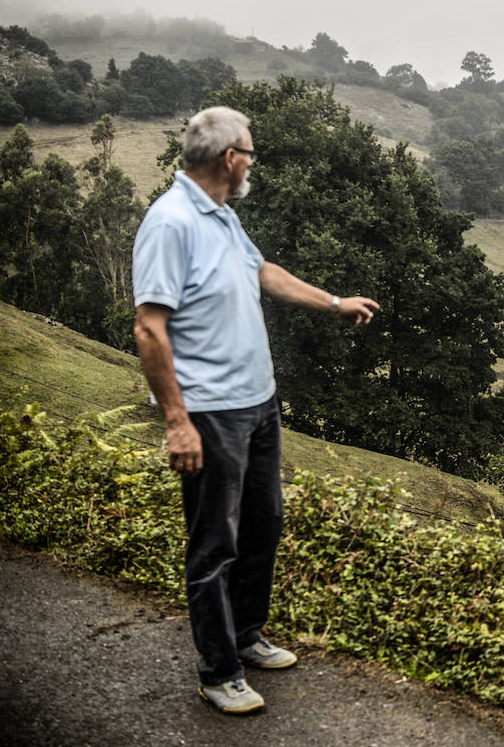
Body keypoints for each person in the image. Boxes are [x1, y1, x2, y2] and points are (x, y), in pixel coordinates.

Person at [132, 106, 379, 715]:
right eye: (249, 151)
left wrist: (333, 301)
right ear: (229, 159)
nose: (251, 162)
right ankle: (218, 672)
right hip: (211, 413)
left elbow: (262, 271)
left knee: (263, 526)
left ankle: (245, 637)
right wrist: (176, 422)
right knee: (214, 544)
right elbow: (148, 328)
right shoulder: (170, 224)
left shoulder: (222, 217)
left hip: (258, 403)